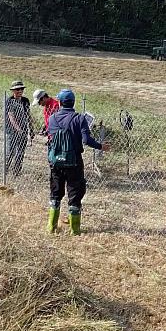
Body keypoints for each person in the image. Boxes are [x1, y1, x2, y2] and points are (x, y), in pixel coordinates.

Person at [45, 89, 110, 235]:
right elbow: (86, 140)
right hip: (74, 163)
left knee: (55, 194)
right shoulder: (79, 118)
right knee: (74, 195)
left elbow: (50, 138)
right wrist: (101, 146)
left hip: (56, 162)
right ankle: (75, 231)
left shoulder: (52, 118)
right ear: (73, 103)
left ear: (60, 102)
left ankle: (51, 227)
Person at [5, 80, 35, 176]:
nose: (20, 91)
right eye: (18, 89)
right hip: (12, 131)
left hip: (23, 130)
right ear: (13, 91)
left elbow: (28, 115)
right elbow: (11, 116)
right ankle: (5, 169)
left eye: (21, 89)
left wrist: (31, 129)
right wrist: (18, 129)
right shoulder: (9, 101)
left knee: (20, 152)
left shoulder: (25, 101)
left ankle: (16, 172)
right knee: (11, 151)